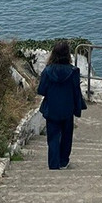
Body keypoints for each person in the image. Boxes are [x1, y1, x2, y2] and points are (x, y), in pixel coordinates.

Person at [36, 41, 86, 170]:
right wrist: (78, 107)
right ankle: (64, 162)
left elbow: (41, 90)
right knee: (66, 136)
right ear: (67, 55)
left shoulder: (47, 71)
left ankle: (53, 164)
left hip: (51, 109)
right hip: (67, 109)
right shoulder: (74, 71)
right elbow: (76, 91)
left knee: (52, 137)